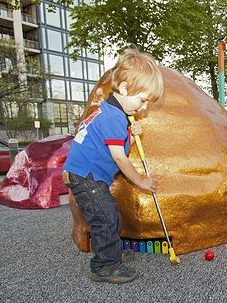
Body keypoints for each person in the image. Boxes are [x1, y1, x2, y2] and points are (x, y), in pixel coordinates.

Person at [63, 48, 164, 284]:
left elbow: (112, 140)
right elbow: (119, 157)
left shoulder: (112, 111)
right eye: (142, 100)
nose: (143, 108)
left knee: (109, 215)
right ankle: (104, 266)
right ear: (125, 88)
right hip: (86, 176)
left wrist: (132, 130)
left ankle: (111, 253)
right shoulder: (113, 117)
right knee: (105, 218)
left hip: (85, 173)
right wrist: (140, 181)